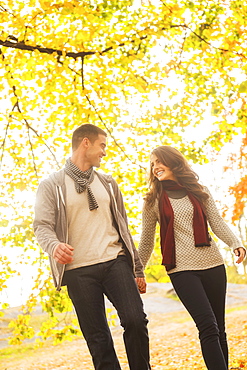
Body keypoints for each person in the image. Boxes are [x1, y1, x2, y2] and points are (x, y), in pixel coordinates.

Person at [33, 124, 150, 370]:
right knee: (97, 338)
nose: (104, 152)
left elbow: (125, 230)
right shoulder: (51, 185)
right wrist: (54, 246)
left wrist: (137, 269)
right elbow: (41, 226)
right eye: (102, 146)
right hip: (78, 270)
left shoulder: (108, 183)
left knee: (135, 320)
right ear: (85, 143)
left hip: (115, 261)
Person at [138, 145, 246, 370]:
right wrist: (137, 270)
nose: (155, 167)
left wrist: (236, 243)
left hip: (213, 264)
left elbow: (216, 223)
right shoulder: (152, 201)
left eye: (159, 161)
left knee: (220, 328)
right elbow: (146, 241)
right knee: (207, 326)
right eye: (152, 164)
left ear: (173, 162)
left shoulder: (199, 191)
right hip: (181, 270)